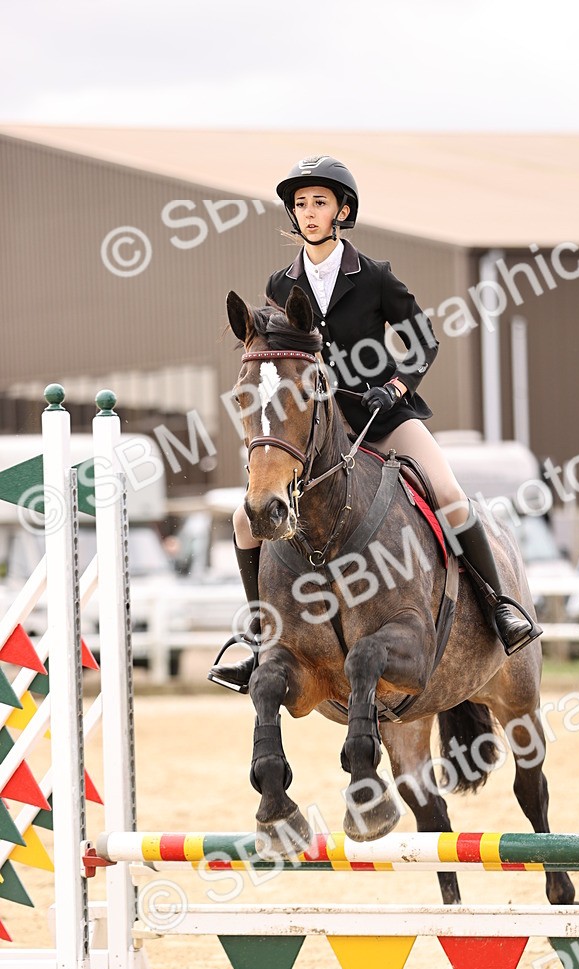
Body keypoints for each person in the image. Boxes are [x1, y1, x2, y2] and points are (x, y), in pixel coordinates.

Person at [209, 155, 540, 692]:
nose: (309, 212)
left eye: (319, 202)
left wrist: (396, 386)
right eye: (301, 204)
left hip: (382, 416)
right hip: (317, 433)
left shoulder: (374, 277)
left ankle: (500, 608)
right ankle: (260, 635)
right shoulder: (280, 282)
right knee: (246, 522)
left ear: (342, 210)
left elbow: (423, 339)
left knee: (450, 495)